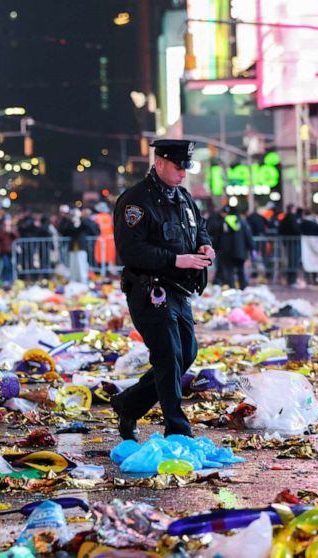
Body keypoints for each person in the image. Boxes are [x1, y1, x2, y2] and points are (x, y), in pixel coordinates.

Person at [111, 138, 213, 440]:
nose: (183, 173)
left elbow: (199, 226)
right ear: (159, 164)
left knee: (186, 353)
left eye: (186, 167)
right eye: (178, 166)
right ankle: (177, 429)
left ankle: (128, 404)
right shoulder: (136, 201)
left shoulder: (182, 197)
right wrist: (177, 259)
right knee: (168, 356)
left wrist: (204, 244)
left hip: (179, 289)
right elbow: (131, 250)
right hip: (149, 290)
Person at [213, 205, 254, 289]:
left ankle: (232, 289)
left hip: (226, 252)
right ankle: (243, 288)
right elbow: (248, 237)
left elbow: (217, 237)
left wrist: (215, 248)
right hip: (240, 251)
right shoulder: (242, 222)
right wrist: (252, 248)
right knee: (241, 271)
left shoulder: (223, 223)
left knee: (229, 271)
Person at [278, 204, 302, 287]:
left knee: (292, 261)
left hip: (289, 242)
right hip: (293, 242)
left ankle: (291, 280)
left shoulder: (285, 218)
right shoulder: (291, 218)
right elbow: (295, 229)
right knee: (293, 262)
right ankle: (292, 280)